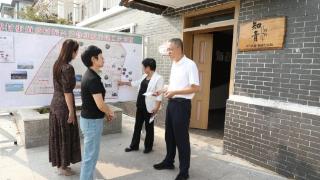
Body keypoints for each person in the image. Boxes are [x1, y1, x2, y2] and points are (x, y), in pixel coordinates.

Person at [153, 38, 200, 180]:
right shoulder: (174, 64)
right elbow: (173, 85)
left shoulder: (190, 64)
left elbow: (195, 87)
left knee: (182, 139)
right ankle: (169, 161)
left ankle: (184, 171)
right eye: (167, 50)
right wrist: (162, 90)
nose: (168, 53)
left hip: (182, 105)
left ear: (179, 48)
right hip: (172, 104)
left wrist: (175, 92)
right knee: (169, 136)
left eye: (170, 49)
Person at [79, 45, 114, 180]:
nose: (103, 59)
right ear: (93, 59)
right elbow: (100, 104)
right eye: (101, 56)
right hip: (91, 122)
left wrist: (105, 113)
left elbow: (97, 103)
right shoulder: (92, 78)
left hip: (90, 120)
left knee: (91, 155)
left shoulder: (90, 75)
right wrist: (109, 112)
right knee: (90, 157)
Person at [49, 39, 81, 176]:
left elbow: (64, 86)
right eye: (76, 51)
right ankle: (62, 167)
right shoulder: (68, 68)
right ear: (72, 51)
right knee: (64, 136)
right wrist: (71, 113)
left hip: (55, 104)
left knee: (59, 135)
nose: (77, 53)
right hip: (64, 106)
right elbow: (67, 92)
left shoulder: (57, 64)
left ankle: (62, 165)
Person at [118, 58, 164, 154]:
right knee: (137, 126)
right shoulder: (144, 76)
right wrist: (123, 83)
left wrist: (156, 107)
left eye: (143, 66)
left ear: (148, 67)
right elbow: (135, 83)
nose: (142, 68)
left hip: (150, 107)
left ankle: (148, 147)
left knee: (149, 127)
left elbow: (159, 95)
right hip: (140, 105)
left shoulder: (158, 78)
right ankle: (134, 146)